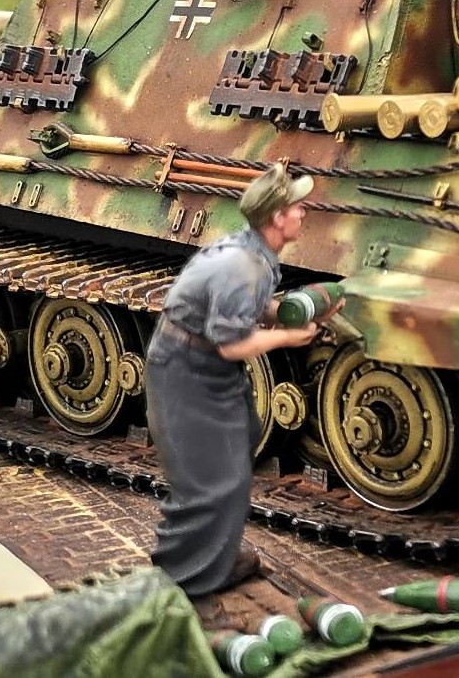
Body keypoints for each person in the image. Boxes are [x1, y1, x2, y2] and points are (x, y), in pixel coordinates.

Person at [147, 163, 332, 596]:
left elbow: (252, 306)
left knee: (239, 446)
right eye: (297, 206)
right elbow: (230, 343)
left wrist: (298, 311)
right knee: (211, 475)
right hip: (186, 367)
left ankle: (212, 557)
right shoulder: (242, 265)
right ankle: (185, 575)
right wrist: (288, 337)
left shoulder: (255, 254)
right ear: (277, 217)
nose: (304, 211)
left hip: (207, 365)